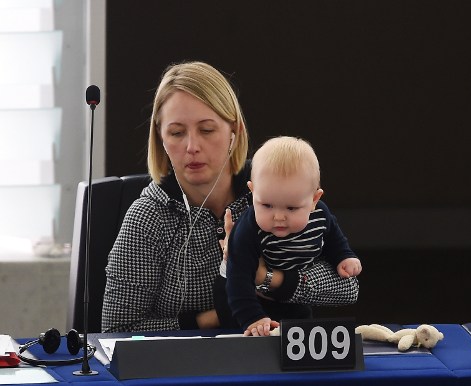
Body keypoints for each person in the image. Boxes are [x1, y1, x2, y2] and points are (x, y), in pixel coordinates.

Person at [101, 61, 357, 333]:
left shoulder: (271, 189)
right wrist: (217, 318)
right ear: (160, 139)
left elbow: (346, 287)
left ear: (234, 132)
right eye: (176, 133)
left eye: (207, 130)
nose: (192, 147)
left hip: (277, 359)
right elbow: (118, 329)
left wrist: (267, 279)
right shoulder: (147, 217)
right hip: (190, 368)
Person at [226, 136, 362, 336]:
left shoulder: (320, 215)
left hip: (297, 300)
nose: (279, 217)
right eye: (267, 205)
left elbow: (334, 239)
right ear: (253, 192)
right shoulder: (248, 228)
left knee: (298, 334)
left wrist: (343, 256)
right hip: (252, 301)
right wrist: (252, 318)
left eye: (291, 208)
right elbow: (237, 278)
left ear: (314, 200)